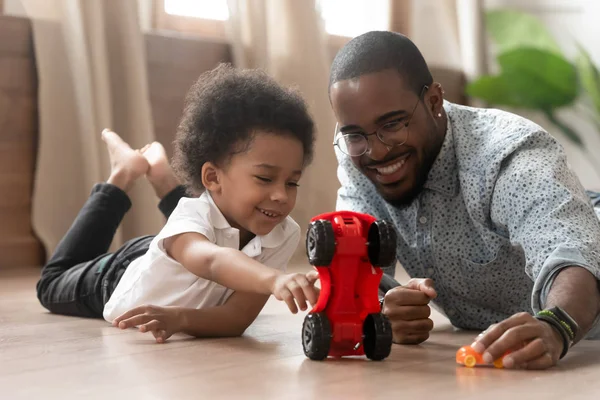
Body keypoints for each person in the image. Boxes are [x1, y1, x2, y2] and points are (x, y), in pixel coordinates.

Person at [329, 31, 600, 370]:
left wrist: (556, 325)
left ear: (434, 102)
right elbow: (357, 273)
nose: (378, 150)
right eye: (355, 134)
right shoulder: (360, 155)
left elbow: (573, 250)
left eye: (393, 124)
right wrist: (384, 309)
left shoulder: (508, 154)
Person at [36, 64, 319, 343]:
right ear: (211, 176)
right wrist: (273, 280)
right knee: (51, 283)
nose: (282, 195)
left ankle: (162, 178)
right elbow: (211, 260)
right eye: (265, 178)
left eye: (292, 182)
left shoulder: (283, 232)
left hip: (178, 246)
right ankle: (122, 173)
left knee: (210, 216)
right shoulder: (194, 218)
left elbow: (236, 318)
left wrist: (180, 318)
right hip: (119, 275)